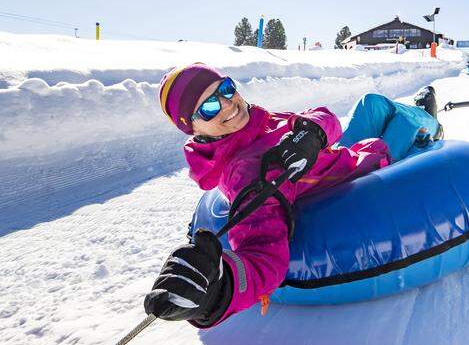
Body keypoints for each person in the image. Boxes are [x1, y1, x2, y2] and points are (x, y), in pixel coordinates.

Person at [144, 62, 442, 328]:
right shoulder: (250, 171)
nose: (227, 103)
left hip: (339, 155)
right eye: (209, 106)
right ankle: (428, 119)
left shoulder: (256, 121)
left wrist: (310, 132)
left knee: (372, 103)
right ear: (193, 128)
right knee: (406, 124)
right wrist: (220, 291)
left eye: (226, 88)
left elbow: (325, 116)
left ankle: (417, 113)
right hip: (370, 164)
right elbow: (262, 253)